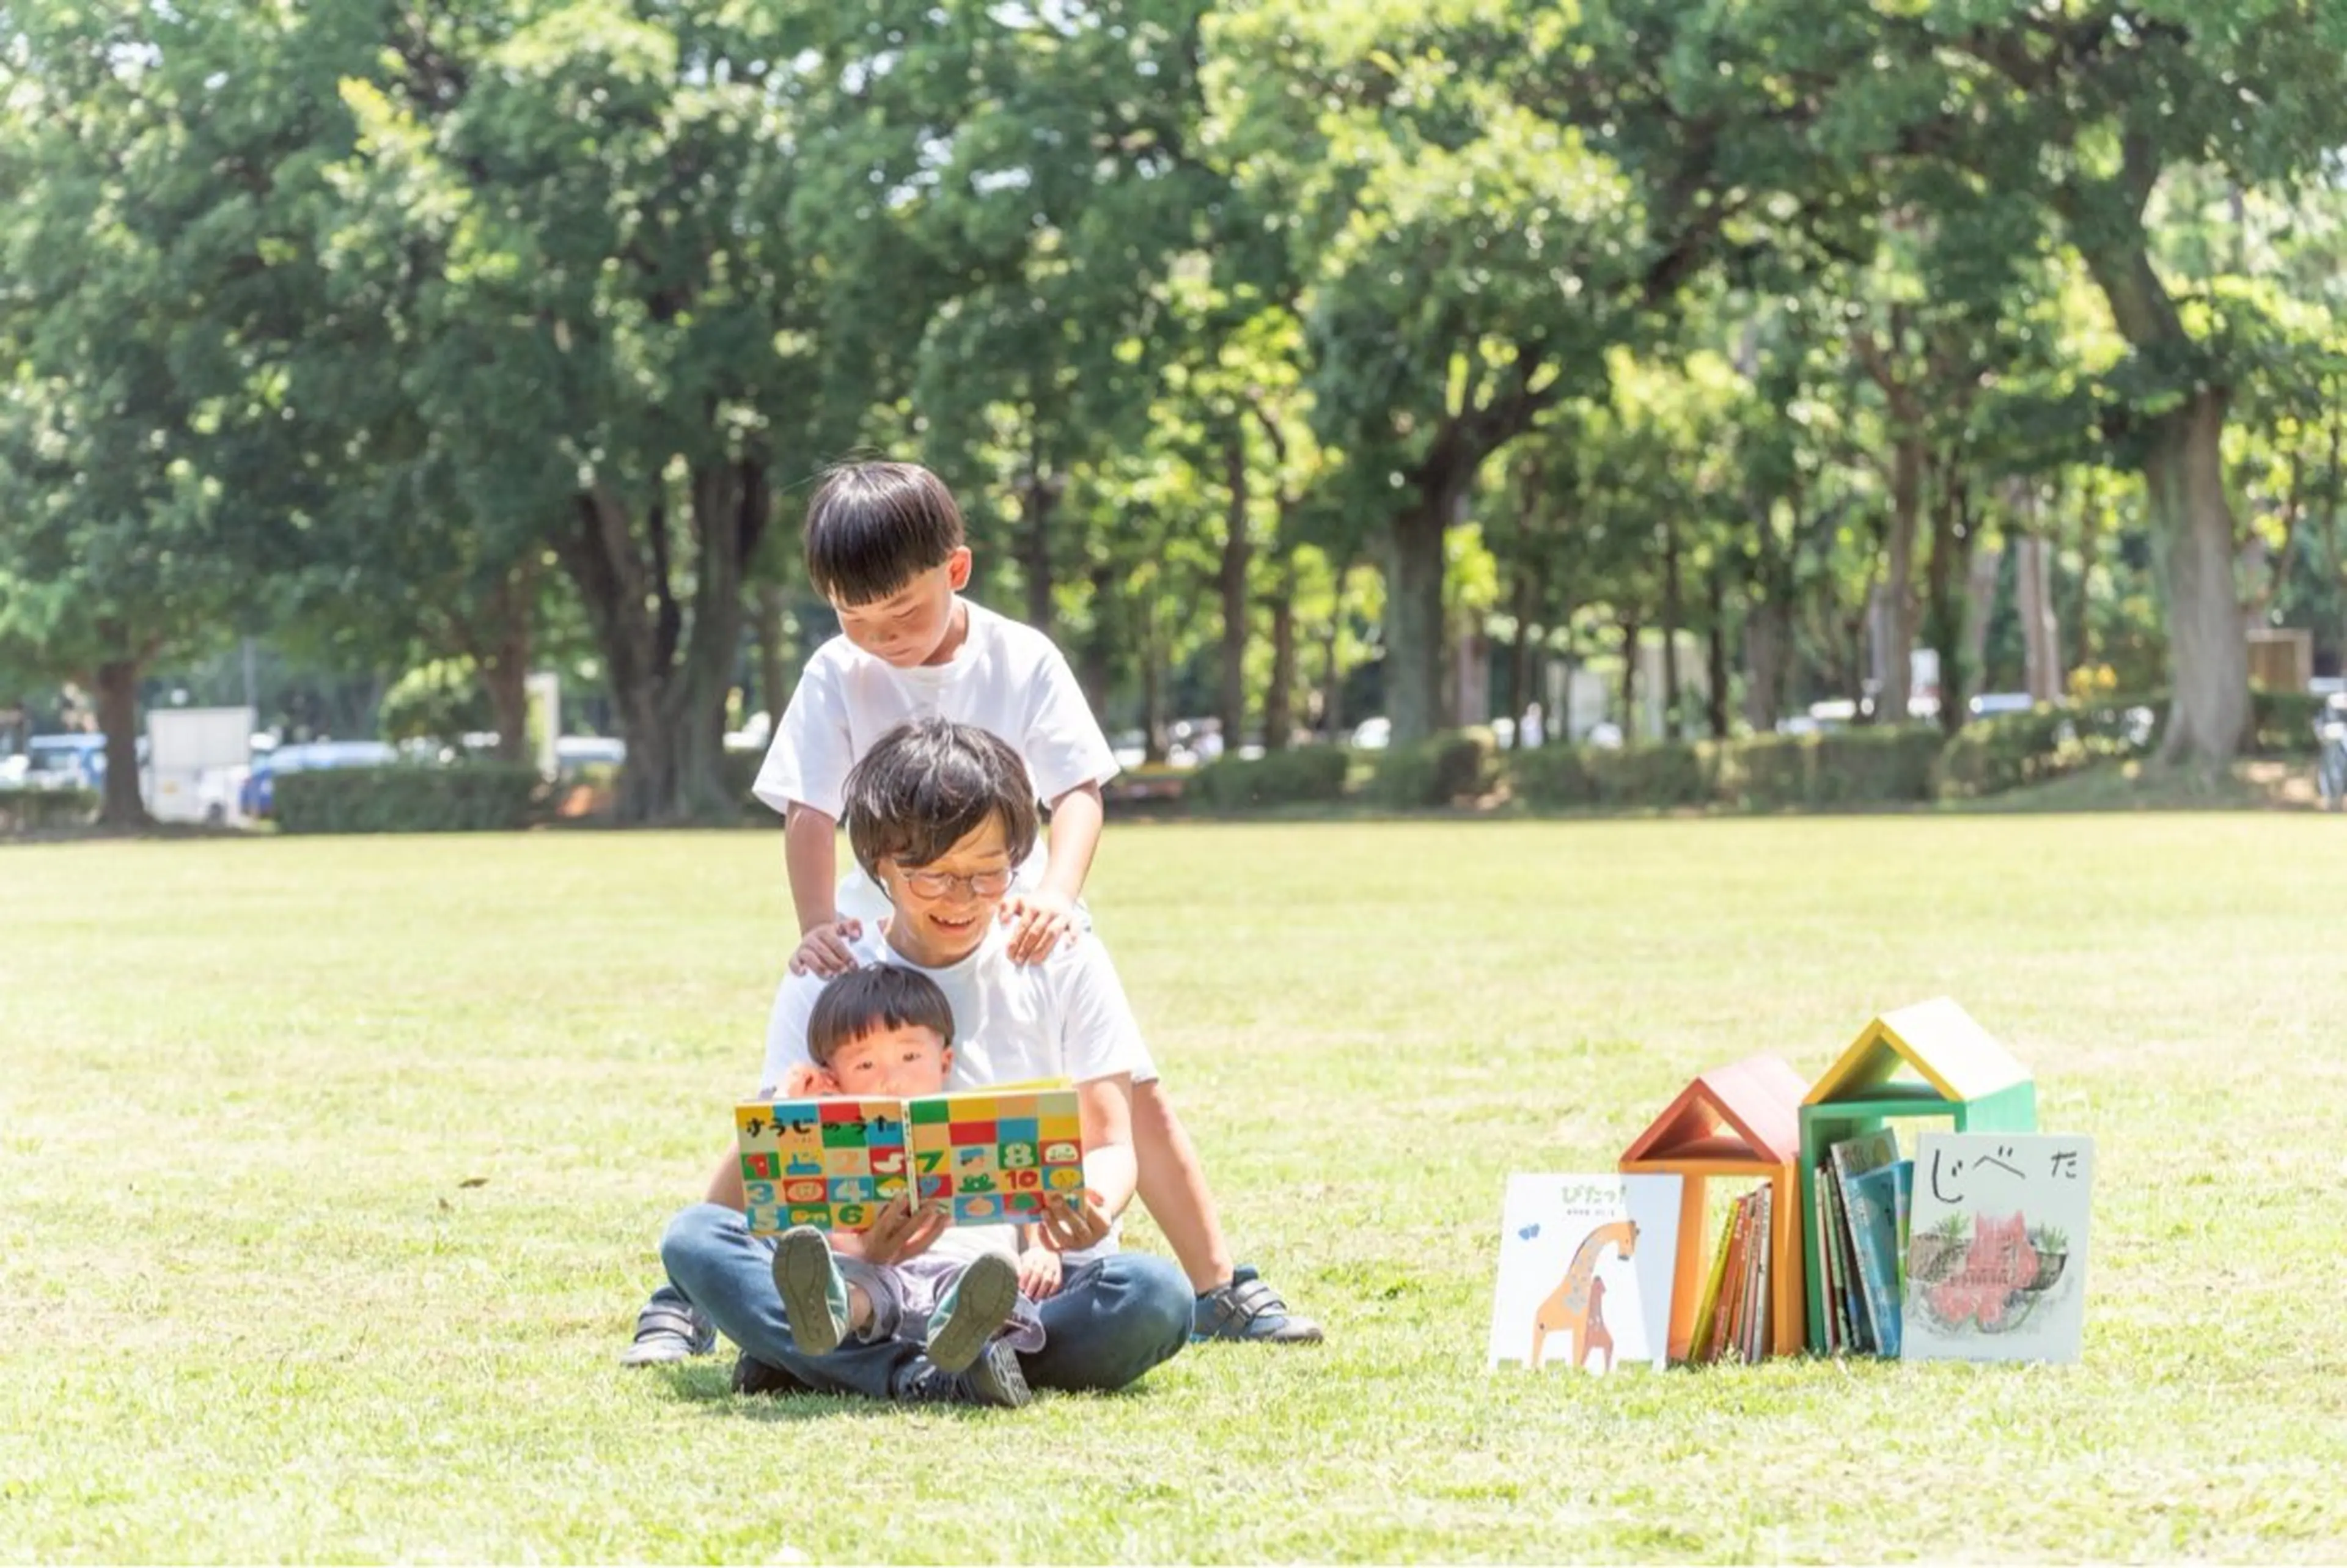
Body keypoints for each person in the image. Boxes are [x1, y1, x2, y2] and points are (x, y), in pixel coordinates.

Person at [625, 461, 1317, 1365]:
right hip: (886, 913)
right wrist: (815, 927)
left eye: (899, 616)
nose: (879, 639)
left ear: (956, 571)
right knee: (804, 1098)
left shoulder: (1019, 655)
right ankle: (691, 1297)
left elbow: (1078, 790)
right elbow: (808, 810)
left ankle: (1220, 1285)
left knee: (1127, 1092)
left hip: (1016, 899)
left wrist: (1053, 897)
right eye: (852, 616)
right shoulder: (838, 670)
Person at [658, 721, 1197, 1405]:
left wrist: (1088, 1208)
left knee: (1154, 1296)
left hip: (1027, 1275)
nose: (962, 898)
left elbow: (1112, 1140)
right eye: (932, 875)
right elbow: (764, 1184)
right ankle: (938, 1373)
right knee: (696, 1236)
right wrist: (789, 1133)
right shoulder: (831, 971)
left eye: (987, 873)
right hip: (857, 1268)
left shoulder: (1063, 955)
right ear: (879, 862)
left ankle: (832, 1361)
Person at [759, 964, 1051, 1400]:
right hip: (882, 1275)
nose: (891, 1078)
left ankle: (956, 1330)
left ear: (945, 1060)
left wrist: (1043, 1247)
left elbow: (1028, 1190)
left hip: (968, 1269)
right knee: (861, 1285)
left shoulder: (982, 1120)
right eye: (865, 1064)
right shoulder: (835, 1140)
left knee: (997, 1275)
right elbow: (803, 1210)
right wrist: (793, 1108)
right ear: (834, 1078)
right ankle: (832, 1312)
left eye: (910, 1057)